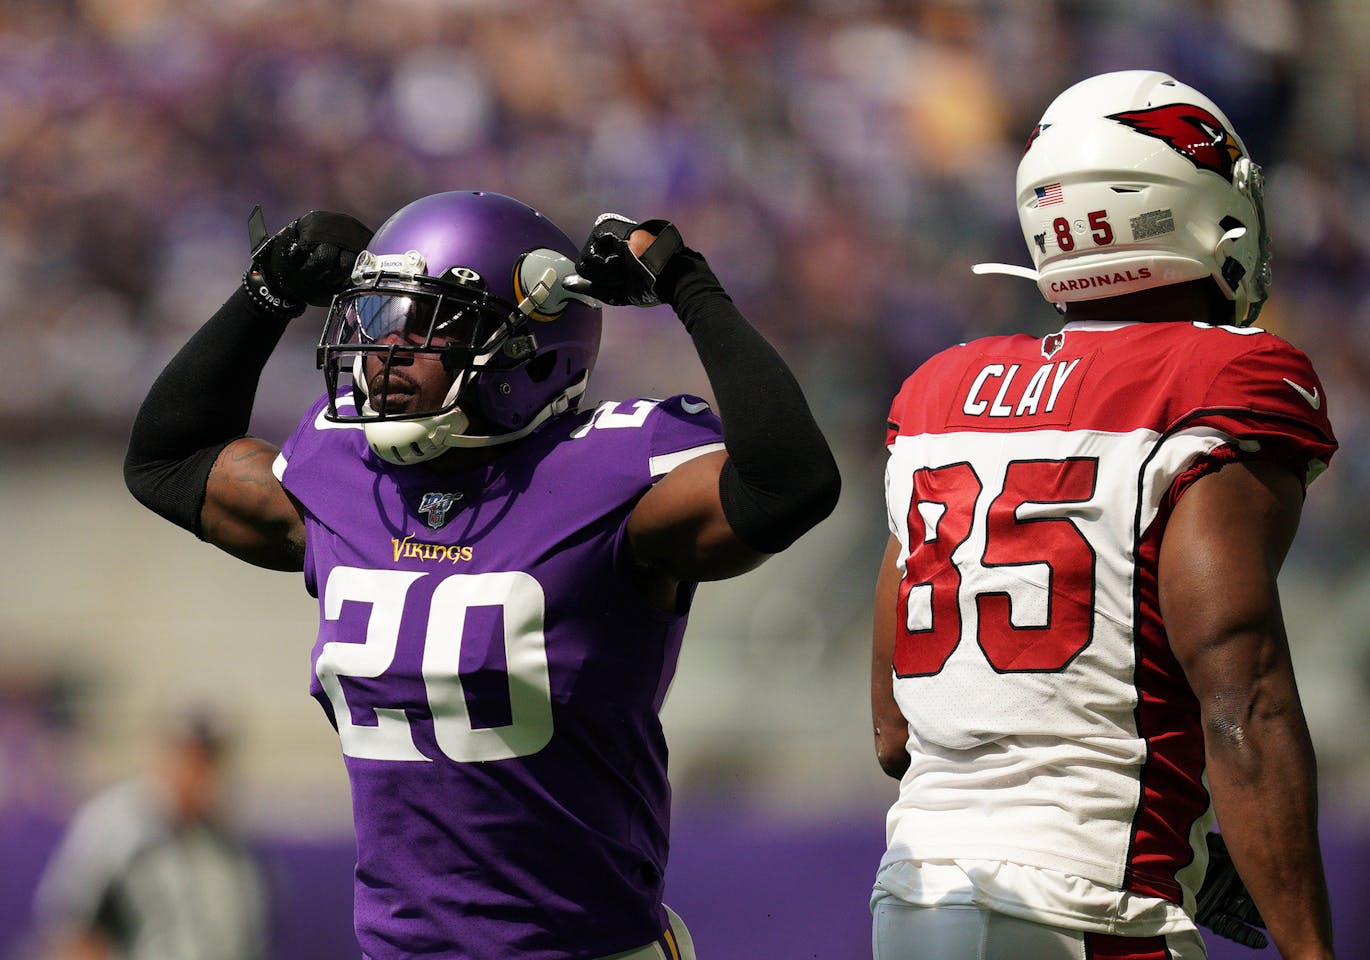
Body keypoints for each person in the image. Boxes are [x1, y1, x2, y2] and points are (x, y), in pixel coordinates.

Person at [123, 190, 840, 960]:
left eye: (422, 327)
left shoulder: (606, 470)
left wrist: (689, 288)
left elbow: (787, 485)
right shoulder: (342, 468)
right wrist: (266, 293)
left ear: (525, 344)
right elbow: (167, 461)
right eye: (374, 321)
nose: (380, 355)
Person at [869, 71, 1336, 960]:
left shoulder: (938, 388)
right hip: (1091, 906)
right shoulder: (1218, 377)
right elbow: (1245, 698)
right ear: (1197, 210)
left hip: (914, 896)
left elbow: (895, 729)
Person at [31, 711, 268, 960]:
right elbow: (72, 932)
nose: (197, 771)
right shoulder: (115, 825)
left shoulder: (232, 842)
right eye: (189, 756)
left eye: (209, 759)